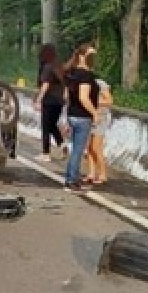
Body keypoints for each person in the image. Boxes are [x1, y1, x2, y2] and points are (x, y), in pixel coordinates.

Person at [62, 42, 100, 192]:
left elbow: (66, 96)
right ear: (83, 56)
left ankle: (72, 177)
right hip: (82, 116)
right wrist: (95, 113)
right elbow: (84, 97)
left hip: (72, 114)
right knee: (78, 150)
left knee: (75, 149)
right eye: (91, 55)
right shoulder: (86, 75)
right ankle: (71, 180)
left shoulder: (71, 73)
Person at [31, 43, 66, 162]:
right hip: (59, 102)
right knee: (52, 125)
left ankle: (46, 153)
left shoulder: (47, 67)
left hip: (49, 100)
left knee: (46, 126)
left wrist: (38, 100)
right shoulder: (58, 66)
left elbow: (45, 85)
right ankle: (61, 144)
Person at [85, 76, 112, 184]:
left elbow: (109, 101)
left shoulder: (100, 83)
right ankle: (91, 173)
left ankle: (103, 174)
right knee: (89, 148)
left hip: (101, 117)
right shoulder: (82, 84)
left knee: (96, 148)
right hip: (90, 117)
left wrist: (92, 101)